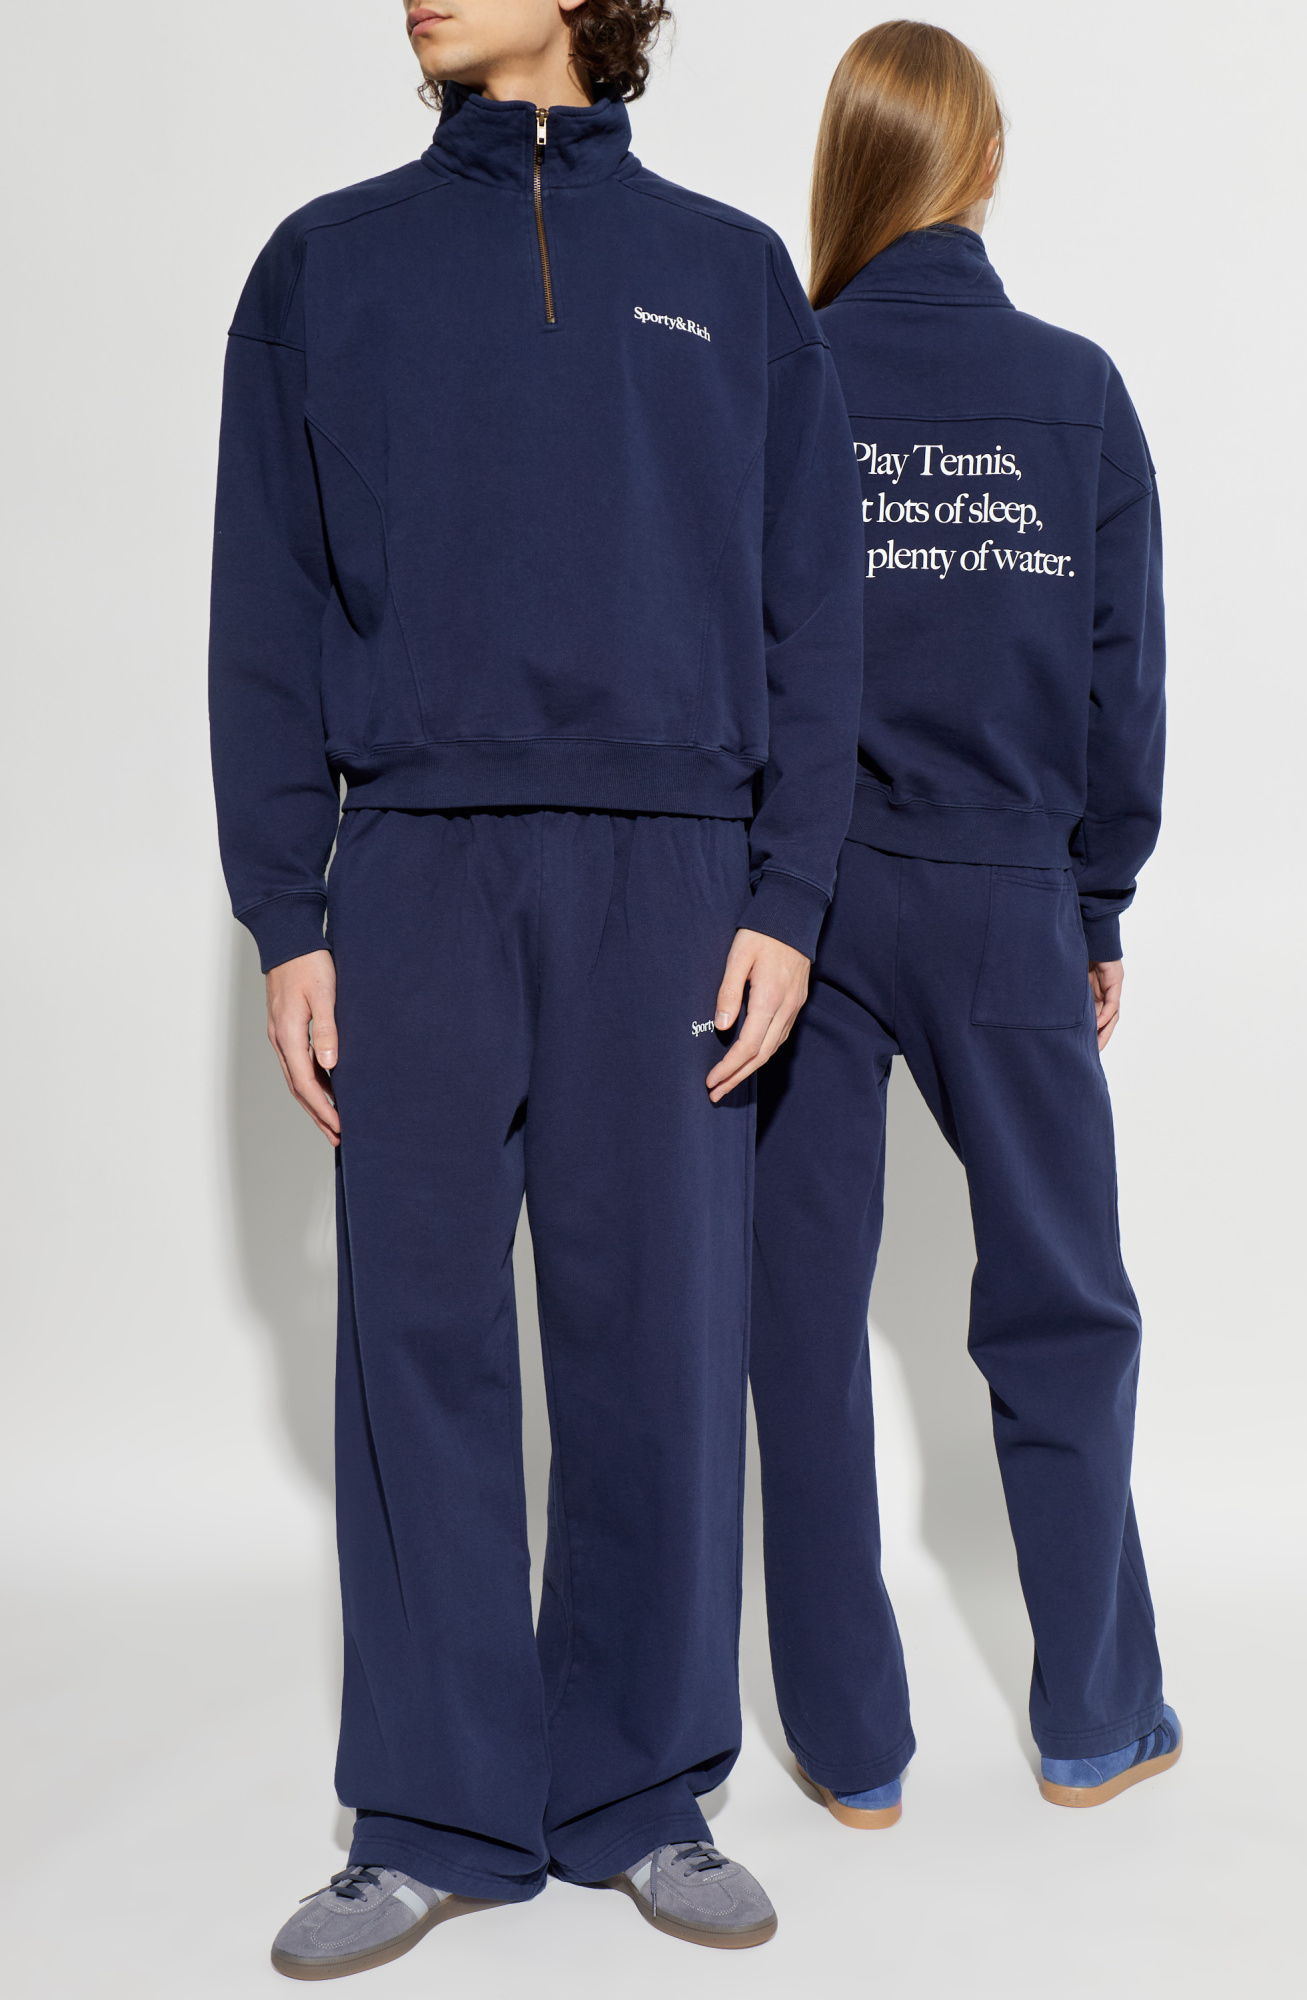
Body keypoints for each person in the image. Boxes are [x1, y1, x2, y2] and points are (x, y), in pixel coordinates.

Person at [209, 0, 864, 1974]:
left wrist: (789, 894)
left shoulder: (730, 278)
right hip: (413, 866)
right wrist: (287, 912)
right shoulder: (324, 267)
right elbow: (265, 605)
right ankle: (426, 1814)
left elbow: (814, 606)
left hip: (672, 875)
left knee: (657, 1333)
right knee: (413, 1341)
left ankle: (642, 1790)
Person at [749, 19, 1179, 1834]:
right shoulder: (1074, 393)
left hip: (810, 905)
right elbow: (1116, 678)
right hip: (1008, 897)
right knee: (1061, 1307)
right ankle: (1095, 1718)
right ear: (982, 165)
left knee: (795, 1319)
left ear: (848, 166)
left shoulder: (778, 375)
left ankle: (850, 1750)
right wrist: (1097, 893)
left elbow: (735, 656)